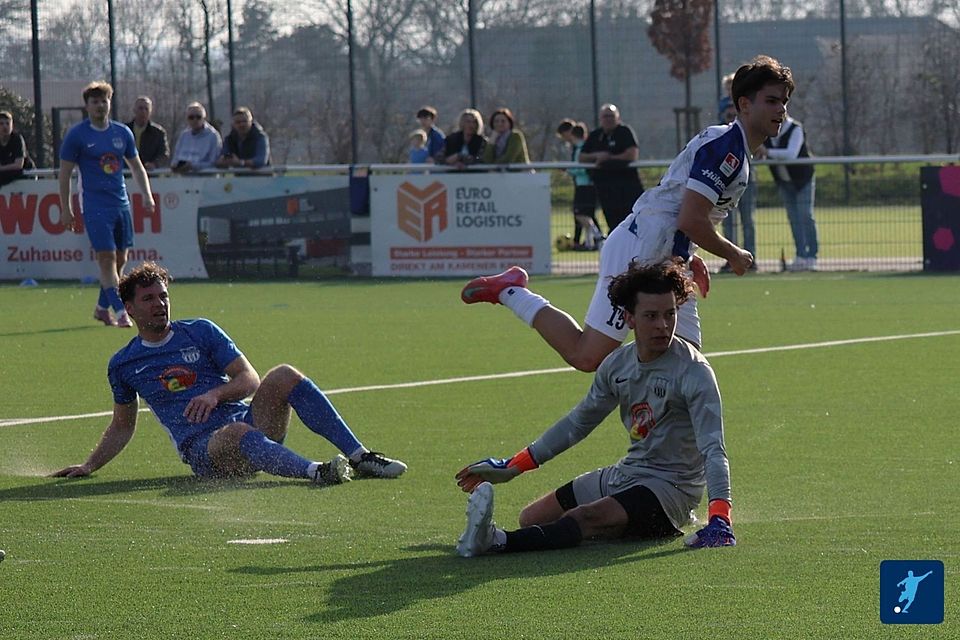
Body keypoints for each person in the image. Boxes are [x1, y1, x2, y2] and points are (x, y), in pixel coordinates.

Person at [461, 55, 793, 372]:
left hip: (663, 259)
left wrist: (688, 258)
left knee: (683, 366)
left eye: (783, 101)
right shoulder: (727, 150)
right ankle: (511, 290)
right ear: (744, 104)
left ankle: (650, 425)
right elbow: (689, 219)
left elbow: (683, 213)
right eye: (771, 100)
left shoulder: (735, 150)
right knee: (587, 355)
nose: (781, 109)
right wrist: (733, 253)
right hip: (638, 256)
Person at [455, 261, 735, 557]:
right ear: (629, 318)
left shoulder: (694, 371)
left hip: (671, 491)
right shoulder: (617, 365)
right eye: (651, 316)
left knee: (583, 518)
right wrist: (514, 465)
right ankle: (609, 527)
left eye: (670, 315)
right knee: (533, 518)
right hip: (627, 473)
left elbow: (713, 449)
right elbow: (578, 423)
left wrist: (720, 517)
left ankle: (497, 542)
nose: (663, 326)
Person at [51, 262, 407, 484]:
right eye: (149, 299)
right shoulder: (123, 363)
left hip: (254, 427)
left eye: (163, 296)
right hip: (205, 451)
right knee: (236, 431)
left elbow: (249, 380)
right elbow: (122, 425)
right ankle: (315, 472)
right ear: (129, 308)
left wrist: (215, 394)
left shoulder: (201, 330)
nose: (160, 304)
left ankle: (360, 457)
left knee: (282, 374)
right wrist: (89, 465)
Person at [58, 81, 156, 329]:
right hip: (94, 203)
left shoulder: (122, 132)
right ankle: (121, 310)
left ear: (110, 103)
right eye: (95, 102)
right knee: (106, 259)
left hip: (120, 204)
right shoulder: (78, 135)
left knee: (121, 259)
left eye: (104, 101)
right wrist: (65, 207)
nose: (100, 106)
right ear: (87, 106)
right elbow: (65, 173)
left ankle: (102, 308)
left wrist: (147, 194)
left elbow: (136, 166)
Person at [760, 113, 818, 271]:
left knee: (805, 215)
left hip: (802, 179)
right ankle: (800, 255)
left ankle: (811, 256)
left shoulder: (795, 129)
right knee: (793, 218)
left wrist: (767, 152)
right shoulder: (767, 130)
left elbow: (791, 153)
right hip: (784, 181)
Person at [579, 103, 644, 233]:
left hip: (627, 187)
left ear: (617, 117)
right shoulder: (596, 135)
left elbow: (632, 154)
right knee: (613, 224)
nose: (608, 119)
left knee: (634, 222)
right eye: (605, 116)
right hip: (605, 188)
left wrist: (609, 158)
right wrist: (597, 155)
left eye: (611, 116)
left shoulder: (624, 132)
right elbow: (582, 157)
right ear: (600, 118)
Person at [717, 94, 756, 273]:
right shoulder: (720, 135)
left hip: (742, 182)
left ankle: (750, 257)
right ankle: (730, 257)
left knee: (747, 219)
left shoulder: (749, 131)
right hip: (723, 183)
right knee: (727, 221)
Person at [557, 119, 603, 250]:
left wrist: (568, 169)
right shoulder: (580, 148)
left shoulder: (581, 149)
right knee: (587, 215)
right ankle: (590, 243)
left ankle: (598, 236)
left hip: (584, 186)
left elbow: (582, 168)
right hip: (584, 185)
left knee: (580, 214)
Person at [170, 102, 222, 173]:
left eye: (198, 117)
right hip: (183, 180)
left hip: (206, 179)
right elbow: (175, 159)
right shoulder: (184, 136)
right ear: (187, 119)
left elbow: (214, 163)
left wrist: (193, 166)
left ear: (204, 118)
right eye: (191, 117)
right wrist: (175, 165)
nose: (195, 120)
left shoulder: (213, 136)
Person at [125, 96, 170, 170]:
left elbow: (164, 155)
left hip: (150, 174)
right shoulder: (125, 130)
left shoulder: (158, 133)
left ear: (150, 112)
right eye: (140, 108)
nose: (143, 111)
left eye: (146, 109)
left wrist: (154, 164)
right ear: (134, 110)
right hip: (127, 172)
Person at [0, 111, 27, 187]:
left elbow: (19, 165)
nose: (5, 127)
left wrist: (1, 168)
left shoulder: (17, 139)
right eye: (1, 124)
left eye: (8, 124)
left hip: (24, 176)